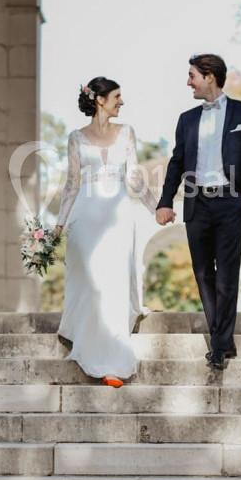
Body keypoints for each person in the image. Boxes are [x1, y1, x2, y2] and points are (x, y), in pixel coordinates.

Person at [155, 54, 241, 370]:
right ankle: (224, 339)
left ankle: (218, 346)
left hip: (231, 202)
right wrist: (165, 201)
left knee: (227, 276)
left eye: (192, 75)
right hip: (197, 203)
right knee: (203, 273)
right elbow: (177, 162)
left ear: (210, 77)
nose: (188, 82)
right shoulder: (186, 119)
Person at [54, 76, 159, 387]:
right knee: (89, 282)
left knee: (112, 281)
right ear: (99, 99)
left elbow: (136, 178)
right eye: (117, 96)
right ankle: (87, 347)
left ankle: (111, 360)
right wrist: (59, 224)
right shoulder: (75, 138)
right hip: (84, 216)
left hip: (117, 217)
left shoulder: (127, 133)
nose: (121, 102)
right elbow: (71, 184)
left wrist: (157, 208)